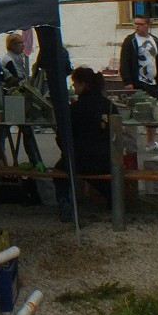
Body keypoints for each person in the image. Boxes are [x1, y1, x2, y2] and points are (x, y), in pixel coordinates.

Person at [54, 68, 118, 222]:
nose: (74, 88)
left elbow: (62, 134)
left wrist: (66, 151)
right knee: (96, 173)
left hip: (79, 158)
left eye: (75, 84)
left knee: (59, 172)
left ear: (83, 84)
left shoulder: (75, 108)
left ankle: (65, 205)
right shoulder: (108, 105)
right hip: (105, 157)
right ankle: (113, 199)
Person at [119, 14, 158, 153]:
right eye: (135, 24)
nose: (137, 27)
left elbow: (157, 60)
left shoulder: (155, 40)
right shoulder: (131, 41)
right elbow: (125, 61)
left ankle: (151, 142)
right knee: (133, 112)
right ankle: (130, 145)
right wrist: (127, 81)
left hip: (152, 82)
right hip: (137, 81)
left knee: (152, 112)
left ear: (148, 25)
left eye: (140, 24)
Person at [0, 32, 45, 166]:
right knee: (7, 131)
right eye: (20, 43)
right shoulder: (8, 60)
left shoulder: (17, 57)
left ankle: (34, 160)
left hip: (18, 98)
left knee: (23, 131)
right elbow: (14, 79)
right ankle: (2, 158)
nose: (23, 45)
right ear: (12, 45)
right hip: (12, 99)